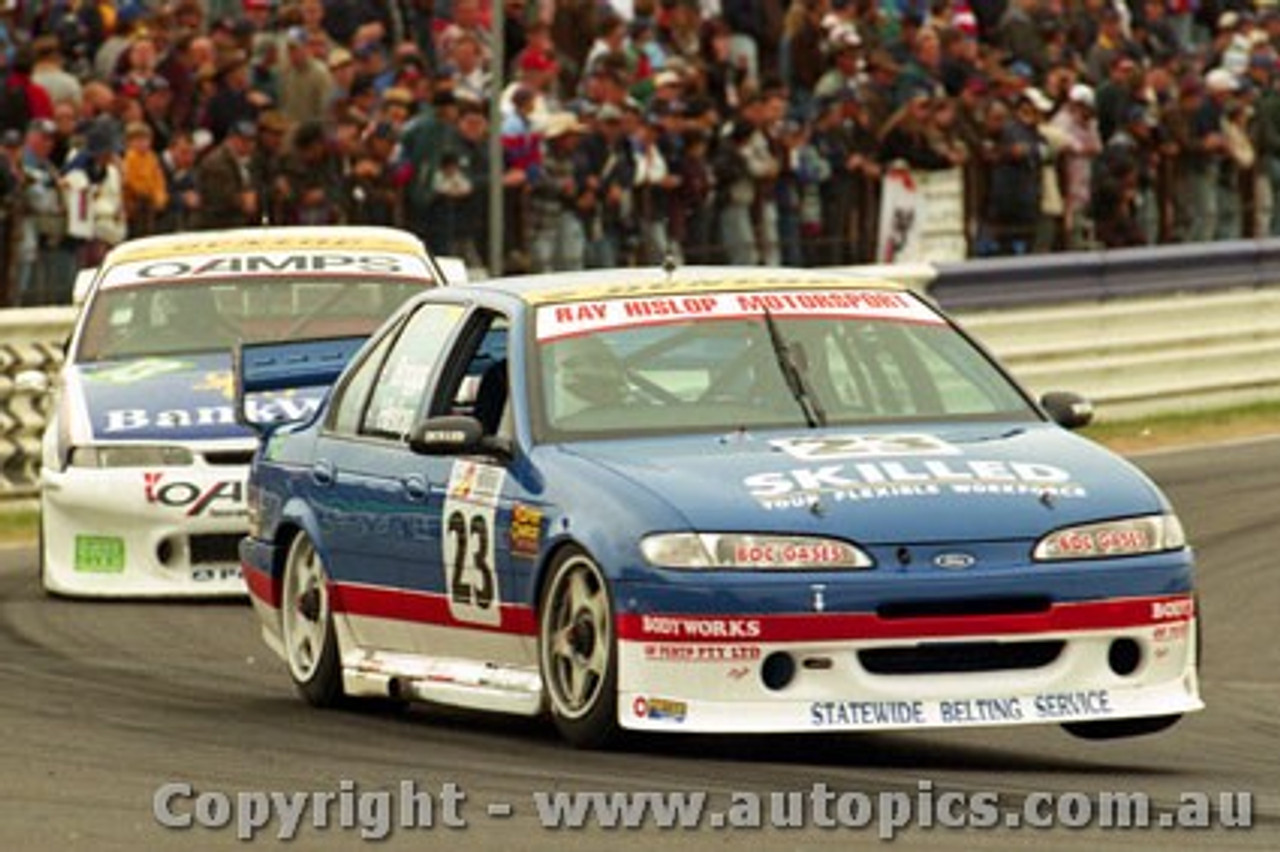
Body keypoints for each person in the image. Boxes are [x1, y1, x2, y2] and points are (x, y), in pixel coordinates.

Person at [194, 119, 259, 229]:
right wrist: (243, 200)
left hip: (235, 223)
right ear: (232, 139)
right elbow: (217, 198)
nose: (250, 145)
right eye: (244, 141)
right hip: (215, 225)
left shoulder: (244, 160)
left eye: (252, 141)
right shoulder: (216, 162)